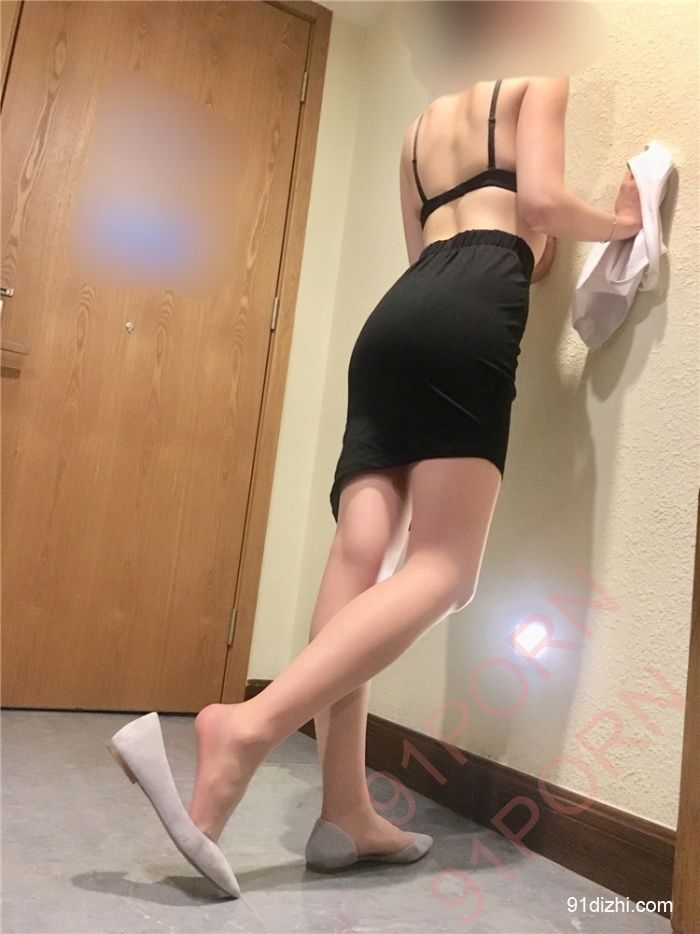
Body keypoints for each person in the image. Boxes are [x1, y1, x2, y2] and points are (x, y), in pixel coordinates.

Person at [108, 75, 643, 895]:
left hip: (396, 317)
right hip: (473, 307)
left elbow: (424, 250)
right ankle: (246, 728)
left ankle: (344, 811)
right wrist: (621, 223)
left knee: (359, 557)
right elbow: (538, 205)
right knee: (447, 570)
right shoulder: (539, 88)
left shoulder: (416, 132)